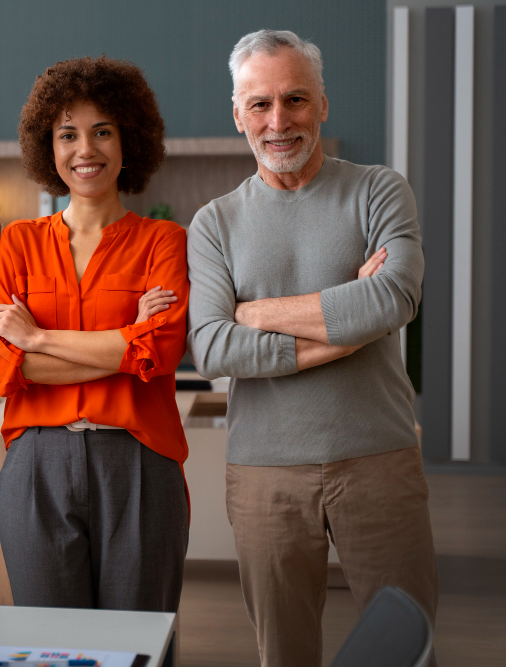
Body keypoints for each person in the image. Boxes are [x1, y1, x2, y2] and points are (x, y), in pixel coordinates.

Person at [186, 29, 438, 667]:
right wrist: (342, 332)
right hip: (264, 472)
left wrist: (259, 313)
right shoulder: (214, 223)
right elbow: (213, 346)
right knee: (284, 655)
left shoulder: (380, 189)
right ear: (237, 114)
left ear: (323, 104)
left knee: (407, 648)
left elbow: (394, 301)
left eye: (295, 99)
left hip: (378, 456)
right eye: (260, 104)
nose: (279, 121)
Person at [0, 56, 190, 611]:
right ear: (47, 148)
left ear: (129, 142)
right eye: (67, 134)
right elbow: (4, 365)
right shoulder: (19, 241)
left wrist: (40, 338)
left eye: (103, 132)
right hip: (37, 464)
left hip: (140, 459)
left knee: (138, 639)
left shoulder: (164, 241)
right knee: (51, 644)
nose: (86, 150)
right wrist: (126, 339)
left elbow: (162, 350)